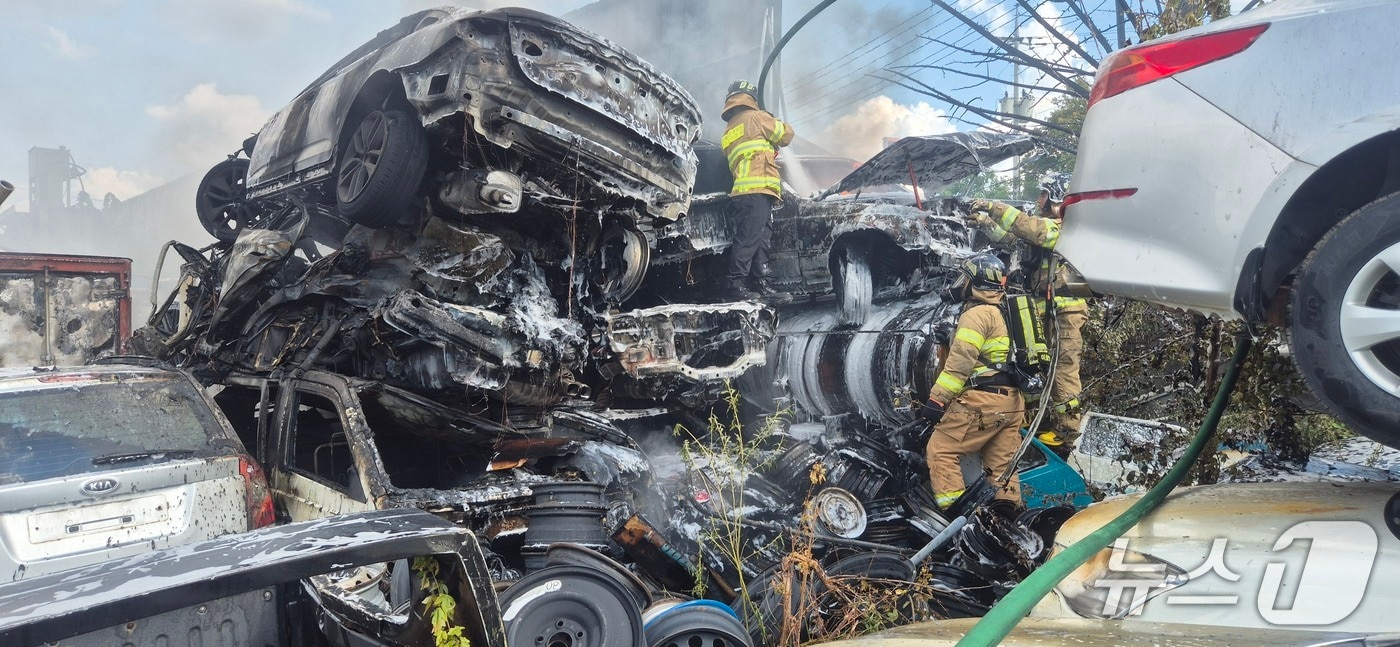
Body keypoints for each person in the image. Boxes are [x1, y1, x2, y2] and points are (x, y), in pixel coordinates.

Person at [966, 173, 1089, 455]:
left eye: (1043, 194)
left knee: (1063, 369)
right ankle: (1040, 422)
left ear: (1057, 197)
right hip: (1042, 311)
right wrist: (985, 223)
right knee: (1037, 364)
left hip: (1065, 312)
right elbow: (1014, 240)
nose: (1038, 199)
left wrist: (994, 207)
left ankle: (1067, 433)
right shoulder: (1041, 228)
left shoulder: (1065, 228)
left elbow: (1030, 228)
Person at [919, 253, 1024, 509]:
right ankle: (1007, 522)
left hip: (983, 401)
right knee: (1001, 471)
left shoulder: (977, 315)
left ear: (975, 281)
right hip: (1013, 403)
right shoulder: (1008, 312)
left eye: (963, 278)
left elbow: (961, 363)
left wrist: (937, 400)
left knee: (941, 451)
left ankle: (958, 520)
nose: (959, 284)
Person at [720, 79, 794, 302]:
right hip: (757, 187)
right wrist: (771, 117)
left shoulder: (729, 129)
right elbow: (786, 135)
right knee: (749, 239)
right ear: (751, 98)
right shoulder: (758, 117)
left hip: (748, 191)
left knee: (760, 238)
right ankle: (735, 286)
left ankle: (762, 283)